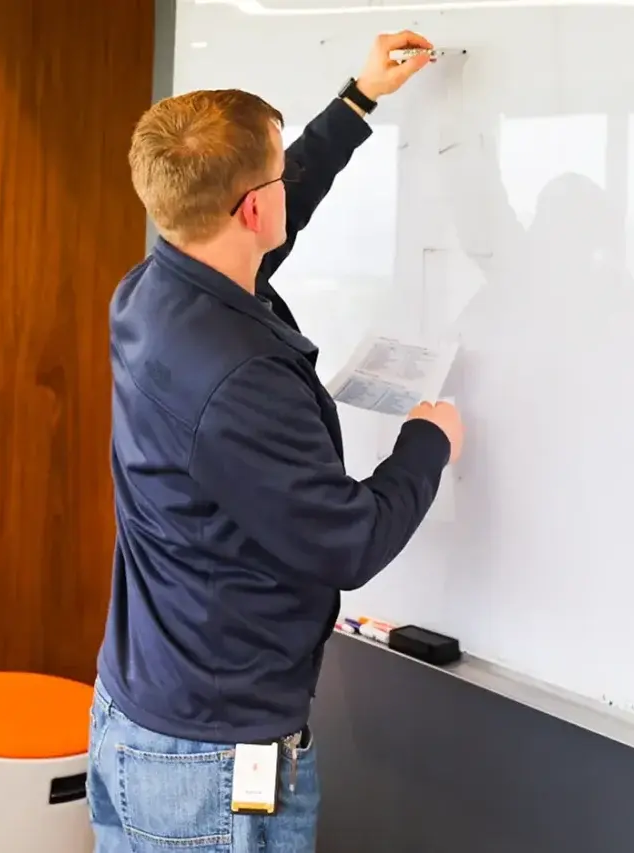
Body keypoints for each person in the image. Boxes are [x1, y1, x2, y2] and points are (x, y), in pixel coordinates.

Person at [88, 32, 465, 852]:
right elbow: (348, 539)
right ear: (253, 208)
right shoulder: (236, 376)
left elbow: (271, 201)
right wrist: (427, 443)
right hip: (212, 762)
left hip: (146, 712)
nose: (282, 188)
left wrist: (358, 101)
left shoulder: (154, 289)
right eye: (273, 178)